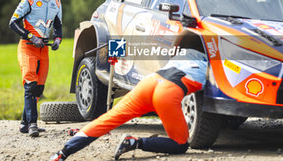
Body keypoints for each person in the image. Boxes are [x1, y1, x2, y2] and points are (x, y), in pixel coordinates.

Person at [50, 49, 207, 160]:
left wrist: (65, 151)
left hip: (148, 83)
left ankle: (62, 153)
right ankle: (136, 142)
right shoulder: (211, 62)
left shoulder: (179, 57)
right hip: (168, 92)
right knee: (180, 145)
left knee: (106, 120)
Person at [9, 0, 62, 137]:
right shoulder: (29, 0)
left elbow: (58, 26)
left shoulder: (57, 2)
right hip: (28, 48)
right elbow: (13, 23)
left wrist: (58, 40)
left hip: (44, 50)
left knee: (38, 89)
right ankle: (33, 124)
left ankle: (24, 124)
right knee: (30, 86)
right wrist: (31, 36)